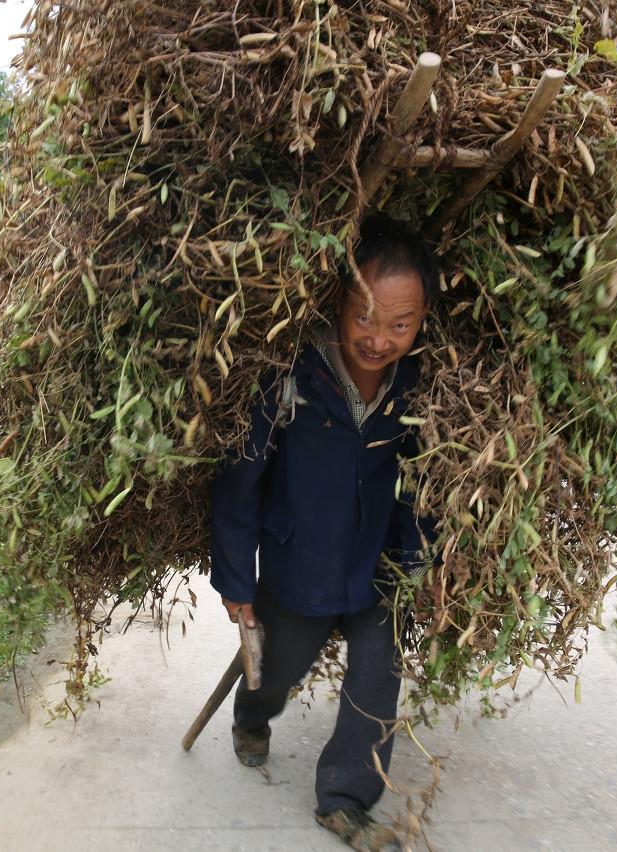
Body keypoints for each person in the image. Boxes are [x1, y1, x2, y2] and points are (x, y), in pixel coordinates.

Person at [209, 215, 439, 851]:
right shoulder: (290, 379)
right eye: (365, 317)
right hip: (297, 563)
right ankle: (252, 717)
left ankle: (343, 798)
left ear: (421, 322)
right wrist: (236, 580)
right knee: (277, 669)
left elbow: (424, 480)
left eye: (401, 324)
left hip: (374, 565)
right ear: (338, 301)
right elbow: (239, 483)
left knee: (377, 677)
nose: (379, 338)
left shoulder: (419, 387)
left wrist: (419, 557)